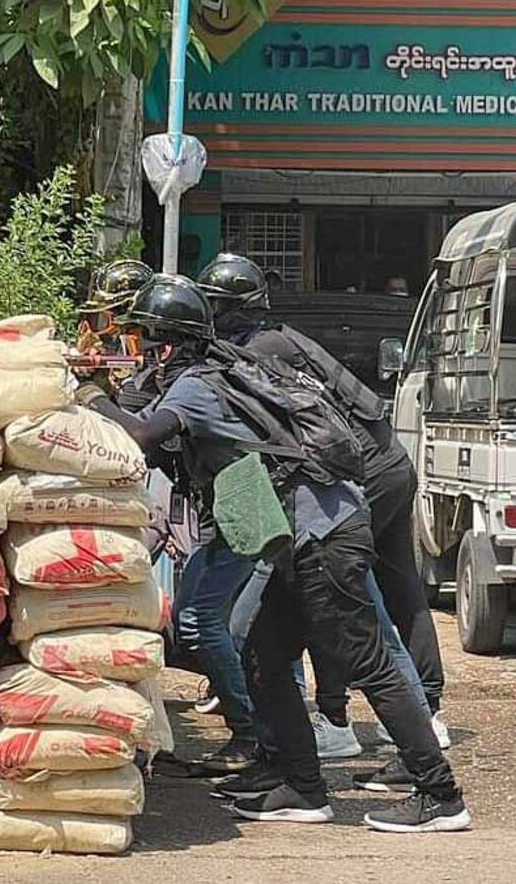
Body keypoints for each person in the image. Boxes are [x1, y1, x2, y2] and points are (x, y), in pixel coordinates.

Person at [75, 274, 469, 833]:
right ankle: (305, 789)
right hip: (290, 536)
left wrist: (89, 392)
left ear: (168, 343)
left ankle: (440, 795)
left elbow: (138, 436)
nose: (134, 349)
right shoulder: (205, 376)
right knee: (264, 654)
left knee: (367, 660)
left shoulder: (199, 385)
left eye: (141, 338)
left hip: (325, 531)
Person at [197, 253, 449, 774]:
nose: (212, 319)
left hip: (356, 477)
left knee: (349, 610)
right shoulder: (278, 339)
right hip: (384, 464)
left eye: (216, 308)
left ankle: (341, 725)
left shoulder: (257, 351)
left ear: (232, 311)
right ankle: (412, 715)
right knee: (391, 596)